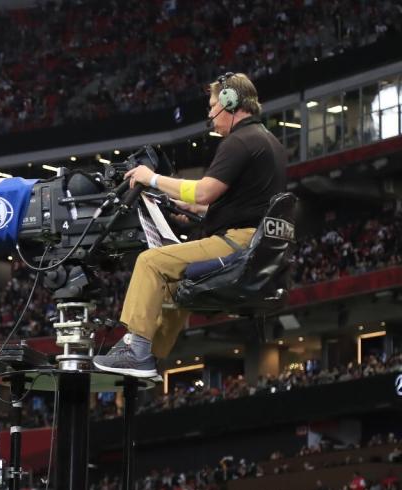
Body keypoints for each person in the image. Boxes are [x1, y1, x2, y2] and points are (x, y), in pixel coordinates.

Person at [93, 72, 287, 378]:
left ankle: (135, 351)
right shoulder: (268, 140)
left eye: (212, 106)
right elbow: (238, 200)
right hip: (253, 242)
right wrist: (196, 208)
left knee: (150, 262)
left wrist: (151, 178)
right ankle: (149, 359)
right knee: (173, 284)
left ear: (229, 102)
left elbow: (204, 190)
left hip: (239, 243)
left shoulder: (239, 141)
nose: (210, 114)